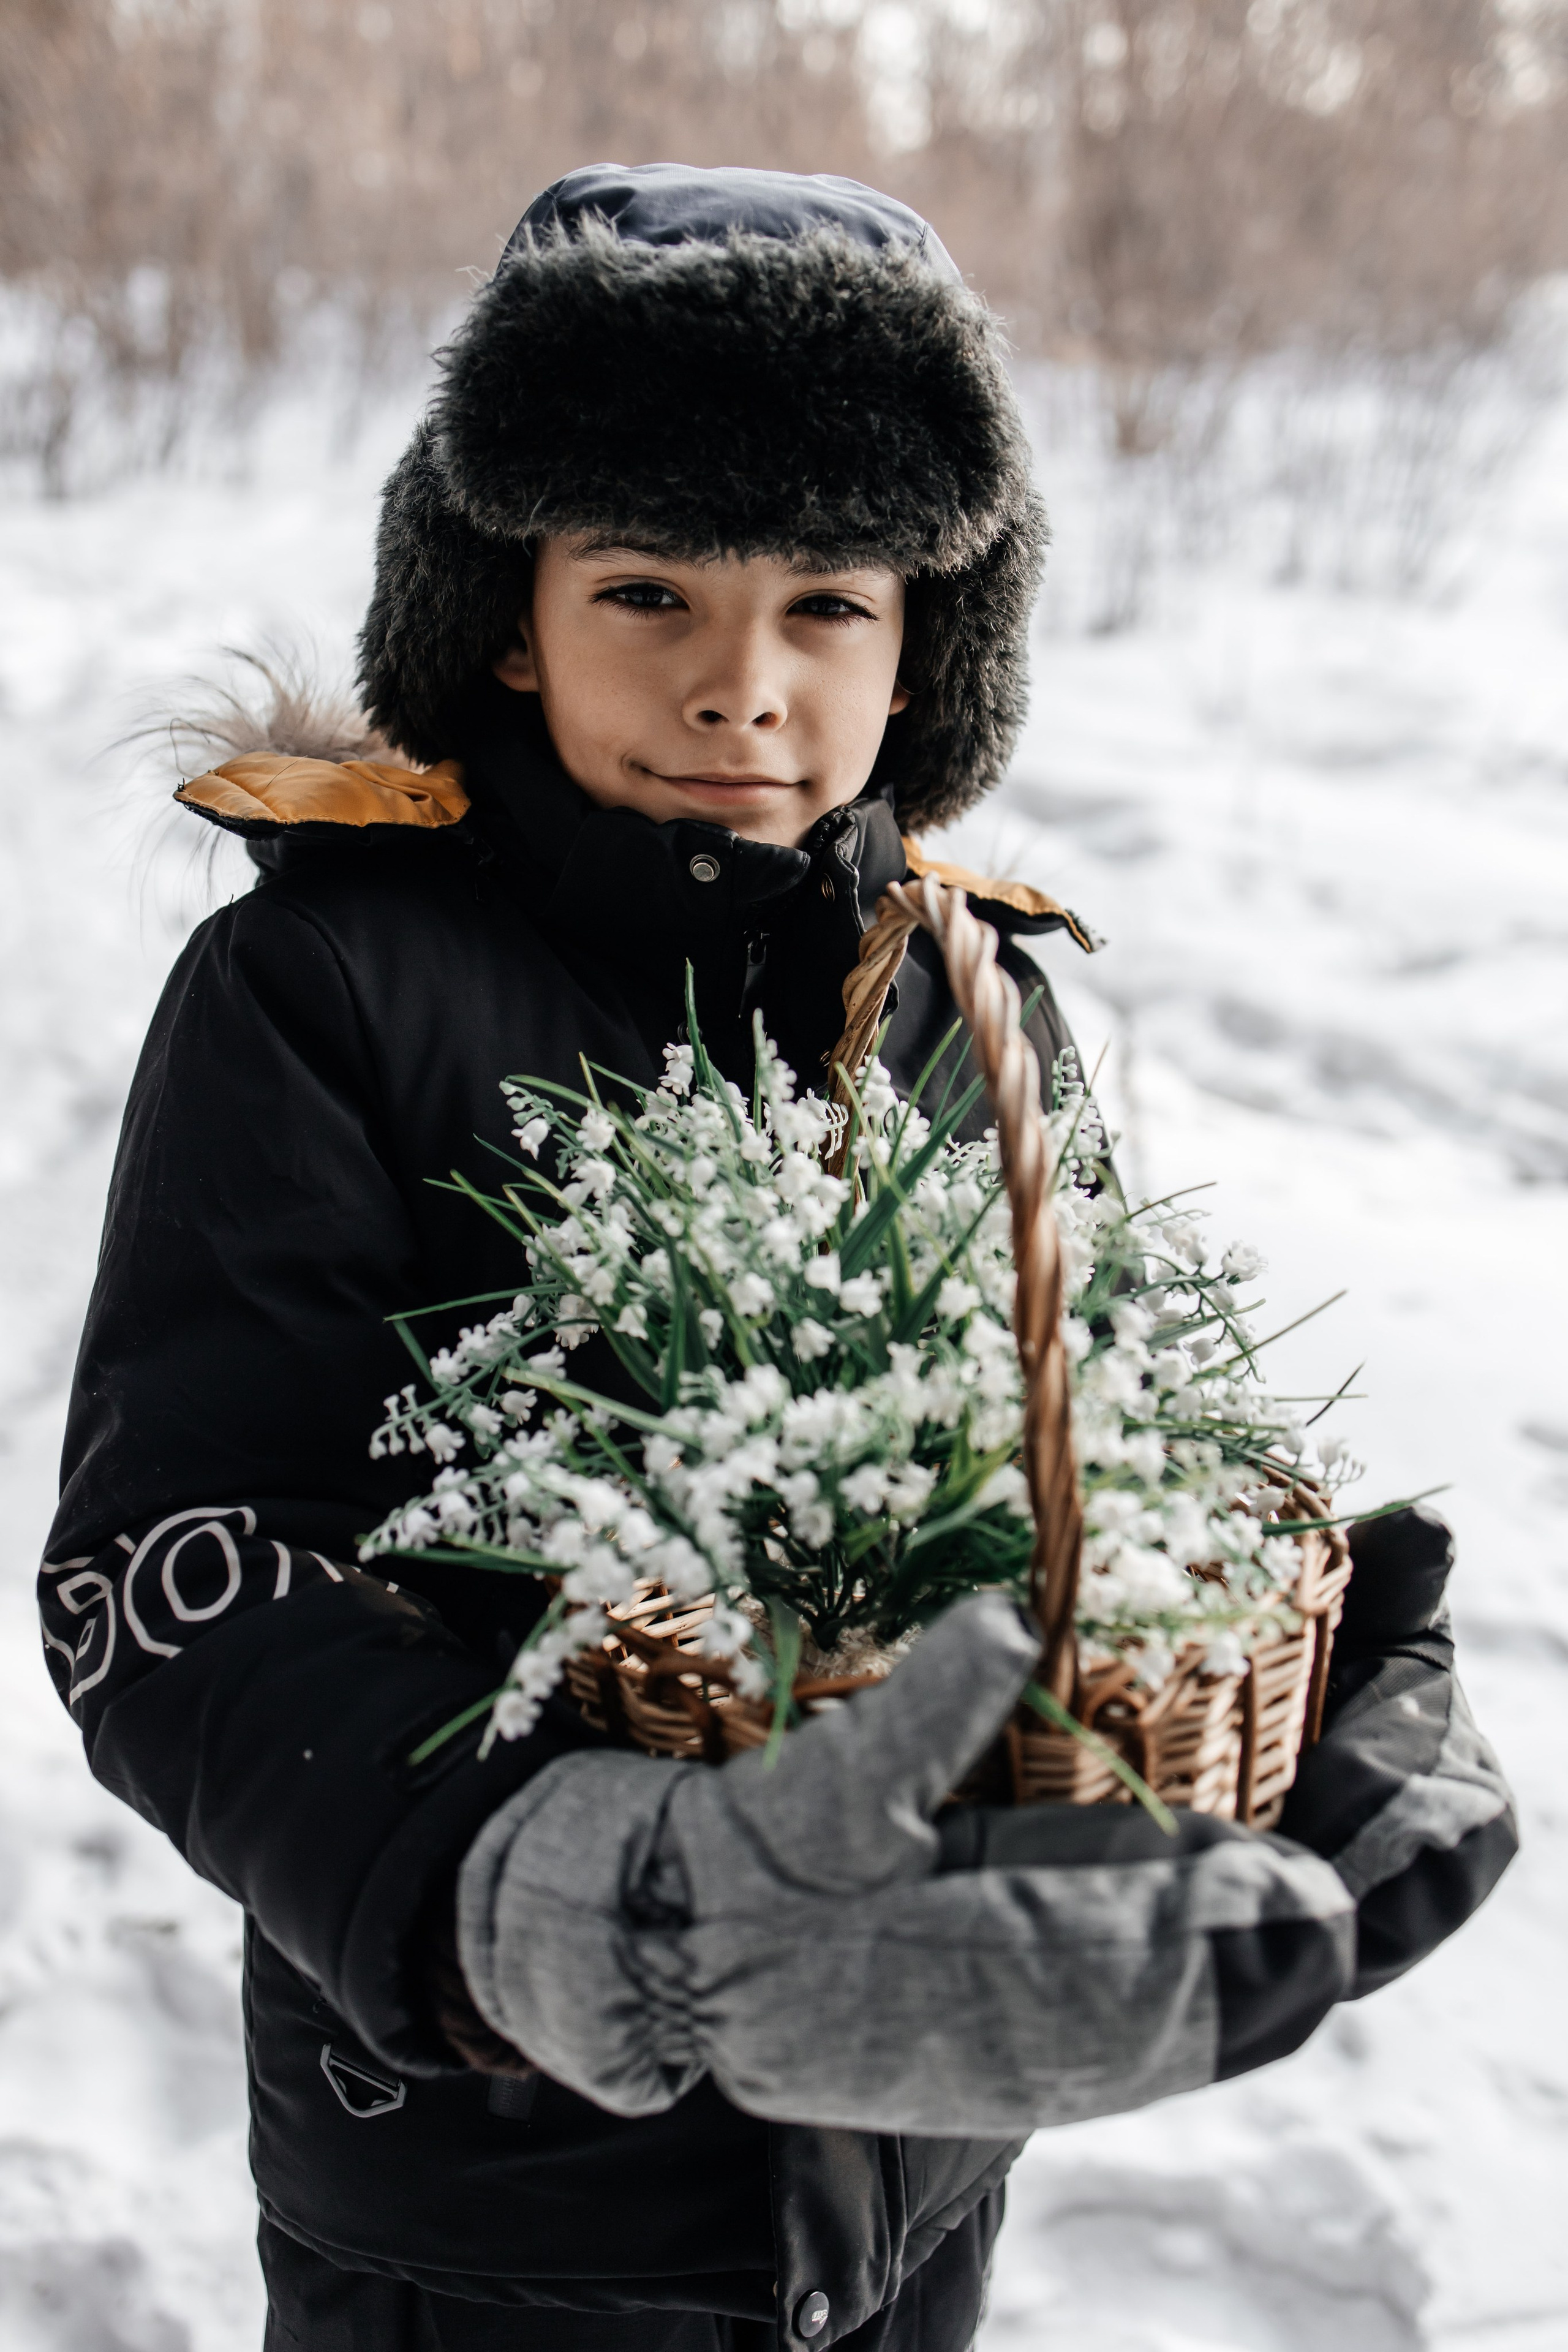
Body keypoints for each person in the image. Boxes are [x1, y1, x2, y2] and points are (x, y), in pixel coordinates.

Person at [40, 164, 1515, 2352]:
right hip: (493, 2184)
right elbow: (175, 1574)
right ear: (502, 610)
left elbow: (1107, 1456)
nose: (744, 686)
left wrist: (1352, 1696)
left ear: (930, 638)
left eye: (829, 602)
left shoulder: (973, 997)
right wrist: (566, 1904)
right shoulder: (328, 985)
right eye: (648, 590)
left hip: (906, 2161)